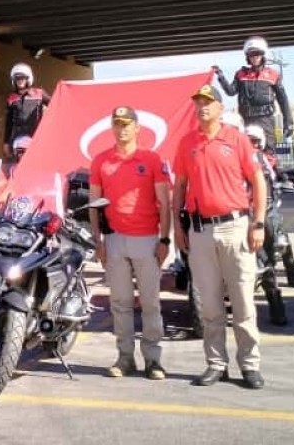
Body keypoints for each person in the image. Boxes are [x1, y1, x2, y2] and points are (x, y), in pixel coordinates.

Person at [172, 84, 267, 389]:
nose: (202, 108)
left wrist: (259, 222)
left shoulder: (236, 139)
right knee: (209, 306)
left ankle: (250, 365)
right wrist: (177, 226)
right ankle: (216, 364)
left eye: (208, 103)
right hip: (200, 231)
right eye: (198, 103)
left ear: (219, 108)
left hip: (235, 227)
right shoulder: (187, 143)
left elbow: (257, 181)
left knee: (242, 303)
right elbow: (180, 188)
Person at [88, 106, 173, 381]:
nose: (121, 128)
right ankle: (125, 358)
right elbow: (94, 203)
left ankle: (153, 360)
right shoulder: (101, 160)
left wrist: (164, 239)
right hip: (114, 240)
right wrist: (97, 239)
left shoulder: (151, 159)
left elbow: (165, 203)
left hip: (147, 239)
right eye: (117, 123)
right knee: (120, 303)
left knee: (150, 303)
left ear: (137, 128)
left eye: (127, 124)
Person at [213, 37, 294, 146]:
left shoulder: (273, 74)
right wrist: (221, 76)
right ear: (248, 57)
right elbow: (231, 92)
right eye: (252, 54)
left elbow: (283, 100)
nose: (255, 57)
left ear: (262, 55)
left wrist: (288, 123)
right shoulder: (241, 74)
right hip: (246, 120)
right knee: (247, 151)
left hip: (266, 120)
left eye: (258, 53)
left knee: (269, 152)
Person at [4, 63, 50, 158]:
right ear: (14, 80)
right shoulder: (11, 98)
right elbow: (8, 123)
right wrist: (6, 142)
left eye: (22, 78)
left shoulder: (39, 93)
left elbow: (54, 104)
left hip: (37, 137)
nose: (20, 80)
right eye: (17, 78)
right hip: (18, 139)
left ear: (28, 79)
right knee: (17, 166)